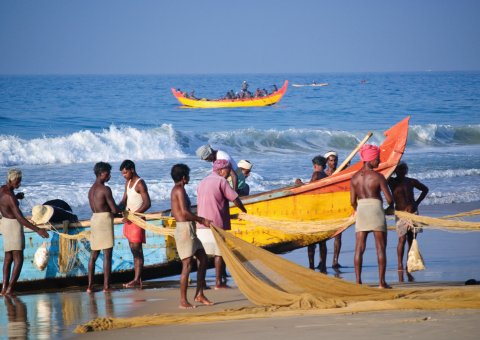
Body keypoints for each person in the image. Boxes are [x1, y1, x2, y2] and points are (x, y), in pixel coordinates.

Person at [196, 159, 247, 289]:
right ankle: (219, 282)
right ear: (221, 170)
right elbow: (235, 199)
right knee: (219, 254)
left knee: (202, 256)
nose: (229, 174)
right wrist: (244, 211)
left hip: (201, 224)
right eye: (228, 171)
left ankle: (201, 283)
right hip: (216, 224)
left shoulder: (202, 182)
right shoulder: (221, 181)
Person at [170, 163, 214, 309]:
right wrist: (202, 220)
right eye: (188, 175)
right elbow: (184, 213)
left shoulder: (179, 189)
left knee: (203, 258)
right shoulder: (179, 190)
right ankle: (183, 301)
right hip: (184, 231)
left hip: (189, 229)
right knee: (187, 265)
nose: (189, 177)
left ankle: (199, 294)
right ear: (184, 177)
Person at [350, 144, 393, 289]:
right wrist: (389, 209)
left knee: (359, 248)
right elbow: (389, 200)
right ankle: (381, 283)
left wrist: (359, 209)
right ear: (370, 159)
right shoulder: (378, 177)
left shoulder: (354, 178)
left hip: (361, 209)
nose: (379, 161)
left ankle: (358, 282)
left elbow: (351, 202)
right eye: (377, 158)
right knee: (380, 248)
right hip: (375, 209)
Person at [0, 169, 49, 296]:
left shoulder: (3, 189)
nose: (20, 183)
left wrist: (17, 197)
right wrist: (38, 230)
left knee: (8, 257)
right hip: (13, 226)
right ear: (11, 179)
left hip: (5, 223)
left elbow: (5, 204)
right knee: (18, 258)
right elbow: (20, 218)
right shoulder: (10, 197)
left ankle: (4, 288)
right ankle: (10, 289)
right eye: (18, 180)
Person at [388, 162, 429, 281]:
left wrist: (416, 203)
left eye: (404, 168)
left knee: (412, 239)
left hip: (413, 213)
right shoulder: (392, 182)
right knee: (401, 239)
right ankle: (400, 264)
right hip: (400, 214)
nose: (402, 170)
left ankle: (409, 262)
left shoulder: (411, 181)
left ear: (407, 170)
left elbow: (425, 189)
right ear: (395, 171)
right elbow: (382, 177)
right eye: (400, 169)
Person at [87, 162, 121, 293]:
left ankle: (89, 286)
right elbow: (114, 209)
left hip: (94, 219)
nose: (109, 176)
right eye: (107, 174)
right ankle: (106, 286)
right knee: (107, 254)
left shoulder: (91, 190)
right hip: (104, 220)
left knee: (94, 254)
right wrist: (121, 210)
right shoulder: (105, 189)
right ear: (101, 174)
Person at [119, 160, 151, 289]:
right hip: (129, 220)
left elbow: (147, 203)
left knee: (137, 250)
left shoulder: (140, 183)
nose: (124, 175)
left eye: (125, 173)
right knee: (133, 250)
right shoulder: (128, 182)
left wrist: (133, 215)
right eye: (122, 173)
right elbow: (124, 200)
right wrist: (116, 209)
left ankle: (137, 279)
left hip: (137, 220)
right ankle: (138, 278)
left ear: (132, 169)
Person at [323, 151, 344, 270]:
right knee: (324, 236)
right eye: (331, 160)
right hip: (326, 207)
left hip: (338, 206)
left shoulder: (341, 173)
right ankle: (322, 261)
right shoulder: (323, 174)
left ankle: (335, 261)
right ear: (327, 162)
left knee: (338, 235)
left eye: (335, 160)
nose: (333, 162)